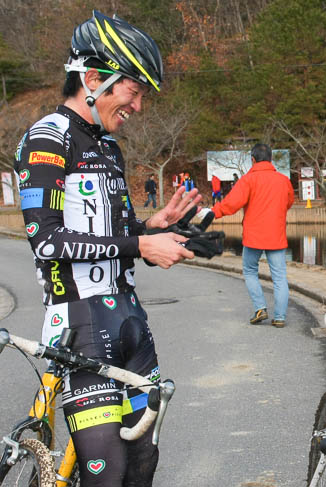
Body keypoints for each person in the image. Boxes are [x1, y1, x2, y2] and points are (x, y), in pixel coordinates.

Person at [14, 11, 201, 487]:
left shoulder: (107, 146)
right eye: (133, 91)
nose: (138, 106)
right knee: (108, 475)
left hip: (130, 324)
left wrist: (148, 225)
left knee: (142, 468)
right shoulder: (47, 139)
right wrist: (140, 242)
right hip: (80, 326)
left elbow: (106, 234)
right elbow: (48, 241)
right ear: (93, 79)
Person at [210, 143, 294, 327]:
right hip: (276, 234)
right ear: (271, 158)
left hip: (254, 236)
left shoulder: (248, 180)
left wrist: (213, 213)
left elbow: (231, 204)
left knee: (249, 271)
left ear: (253, 159)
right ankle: (279, 317)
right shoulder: (283, 180)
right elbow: (288, 202)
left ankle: (260, 308)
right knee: (279, 277)